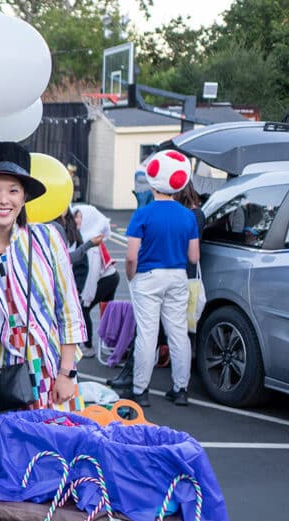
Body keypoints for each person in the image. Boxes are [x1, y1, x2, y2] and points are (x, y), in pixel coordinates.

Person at [0, 141, 87, 421]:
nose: (4, 200)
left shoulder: (48, 239)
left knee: (51, 456)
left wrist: (67, 373)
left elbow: (68, 310)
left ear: (24, 197)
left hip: (50, 377)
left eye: (13, 191)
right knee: (2, 458)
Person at [125, 150, 200, 407]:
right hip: (178, 276)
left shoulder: (143, 214)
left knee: (147, 333)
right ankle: (181, 389)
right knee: (178, 333)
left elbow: (132, 256)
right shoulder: (188, 216)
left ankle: (140, 390)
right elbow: (194, 256)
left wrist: (131, 276)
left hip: (148, 276)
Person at [74, 206, 119, 357]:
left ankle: (88, 346)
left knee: (84, 309)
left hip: (107, 279)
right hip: (110, 276)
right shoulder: (88, 236)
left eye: (80, 217)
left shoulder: (91, 242)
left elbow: (91, 275)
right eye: (75, 216)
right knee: (106, 311)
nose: (76, 220)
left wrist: (86, 297)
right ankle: (109, 344)